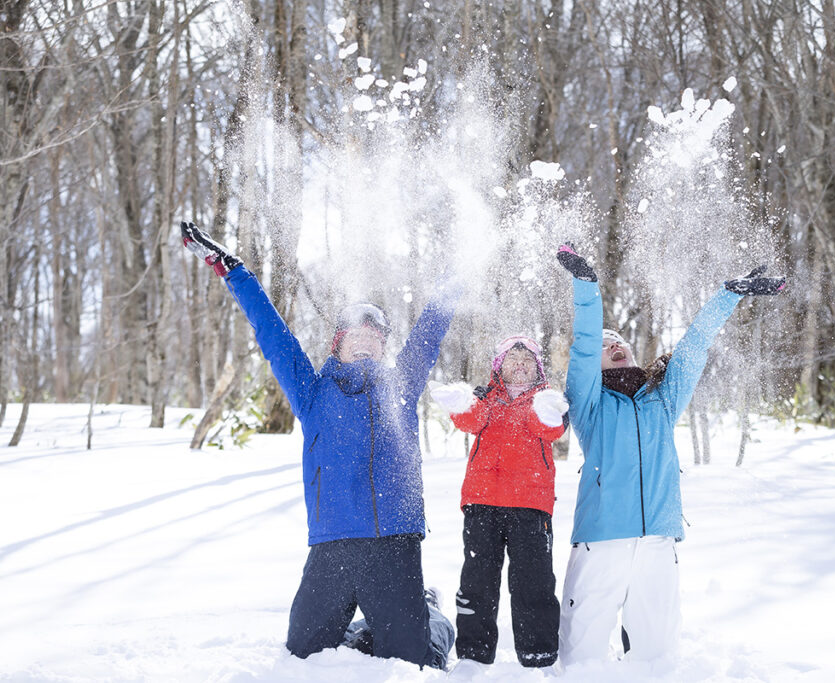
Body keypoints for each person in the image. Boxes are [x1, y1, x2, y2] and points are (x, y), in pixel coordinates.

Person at [180, 221, 456, 669]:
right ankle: (379, 624)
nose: (365, 343)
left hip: (394, 543)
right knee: (303, 652)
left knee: (417, 658)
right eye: (355, 337)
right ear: (338, 345)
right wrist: (233, 271)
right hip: (333, 543)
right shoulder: (313, 392)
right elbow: (272, 333)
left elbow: (430, 330)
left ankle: (429, 613)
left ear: (383, 347)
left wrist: (458, 272)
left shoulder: (401, 386)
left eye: (374, 337)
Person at [554, 242, 785, 664]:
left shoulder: (661, 400)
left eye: (618, 341)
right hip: (600, 542)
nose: (612, 346)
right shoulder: (590, 405)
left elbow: (695, 347)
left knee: (657, 659)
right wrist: (587, 289)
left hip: (658, 541)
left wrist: (729, 294)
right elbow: (584, 347)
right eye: (605, 346)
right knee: (580, 659)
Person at [427, 335, 568, 672]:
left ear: (538, 368)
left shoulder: (543, 400)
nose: (519, 366)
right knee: (477, 581)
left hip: (531, 506)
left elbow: (551, 430)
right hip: (482, 503)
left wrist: (550, 413)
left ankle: (539, 658)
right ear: (498, 366)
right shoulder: (487, 398)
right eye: (512, 360)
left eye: (527, 361)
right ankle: (473, 655)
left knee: (534, 582)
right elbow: (470, 421)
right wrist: (459, 402)